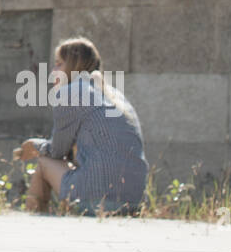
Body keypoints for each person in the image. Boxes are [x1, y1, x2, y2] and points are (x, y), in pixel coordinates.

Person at [14, 37, 148, 215]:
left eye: (58, 64)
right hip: (134, 203)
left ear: (74, 67)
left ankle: (32, 222)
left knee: (44, 163)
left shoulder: (71, 92)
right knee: (74, 167)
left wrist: (34, 145)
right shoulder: (115, 96)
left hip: (96, 201)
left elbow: (56, 152)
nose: (53, 72)